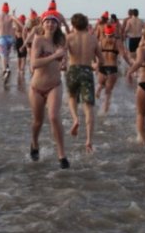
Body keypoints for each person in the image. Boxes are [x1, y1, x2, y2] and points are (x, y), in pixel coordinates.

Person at [28, 10, 70, 168]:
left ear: (57, 25)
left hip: (55, 85)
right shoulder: (38, 40)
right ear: (42, 23)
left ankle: (62, 155)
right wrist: (54, 56)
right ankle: (34, 143)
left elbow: (63, 59)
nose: (50, 24)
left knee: (53, 116)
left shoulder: (61, 41)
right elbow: (34, 63)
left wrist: (64, 62)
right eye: (47, 21)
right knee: (38, 121)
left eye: (53, 22)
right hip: (37, 87)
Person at [65, 13, 103, 153]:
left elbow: (63, 55)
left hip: (73, 70)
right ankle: (88, 141)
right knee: (89, 108)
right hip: (87, 71)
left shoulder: (68, 37)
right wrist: (96, 65)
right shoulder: (92, 38)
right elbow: (101, 59)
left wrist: (63, 64)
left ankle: (75, 119)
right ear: (86, 24)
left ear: (73, 25)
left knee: (71, 97)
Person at [96, 23, 131, 114]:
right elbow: (123, 55)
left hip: (102, 67)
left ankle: (95, 101)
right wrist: (130, 64)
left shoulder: (101, 41)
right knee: (108, 93)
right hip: (112, 68)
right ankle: (104, 112)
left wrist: (96, 67)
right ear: (113, 31)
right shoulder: (117, 42)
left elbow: (97, 55)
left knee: (100, 85)